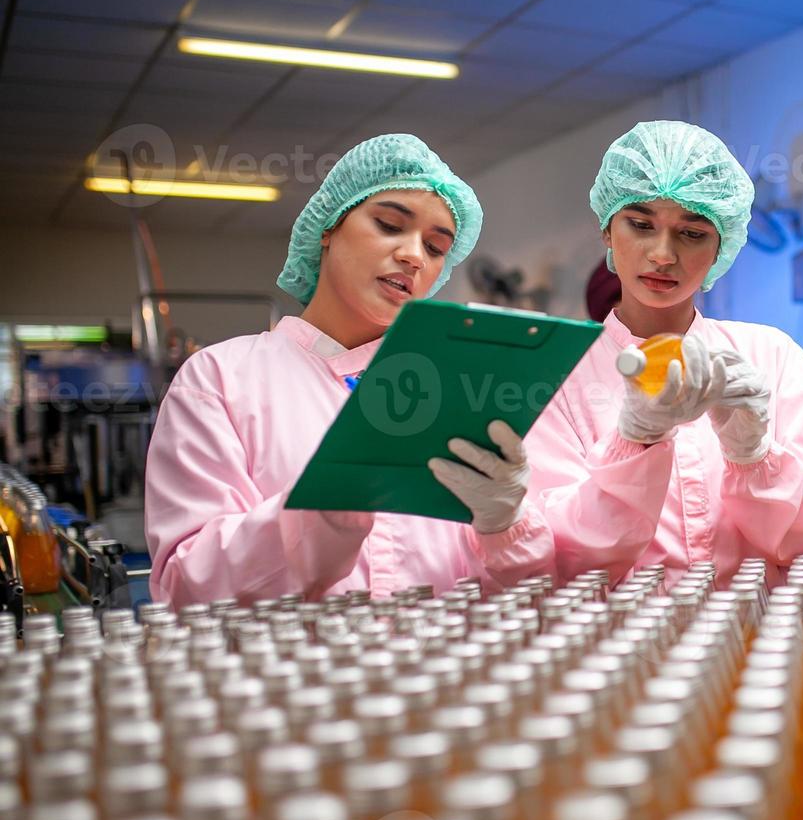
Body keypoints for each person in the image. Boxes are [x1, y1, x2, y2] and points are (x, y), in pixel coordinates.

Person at [145, 134, 550, 606]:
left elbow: (516, 595)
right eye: (389, 224)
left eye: (436, 248)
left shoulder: (451, 390)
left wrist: (506, 526)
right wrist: (321, 510)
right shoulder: (219, 379)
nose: (414, 256)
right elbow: (186, 585)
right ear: (328, 226)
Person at [459, 120, 803, 582]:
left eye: (692, 233)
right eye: (640, 224)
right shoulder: (553, 371)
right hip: (613, 648)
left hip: (757, 645)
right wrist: (634, 443)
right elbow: (550, 564)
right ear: (608, 231)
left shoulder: (772, 358)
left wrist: (755, 457)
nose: (663, 254)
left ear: (721, 248)